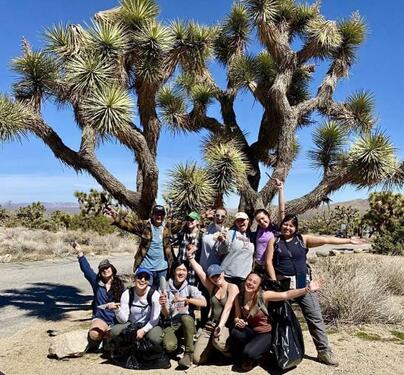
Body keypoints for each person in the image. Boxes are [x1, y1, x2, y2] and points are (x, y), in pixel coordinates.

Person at [265, 214, 364, 366]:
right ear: (281, 225)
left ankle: (324, 351)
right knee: (279, 318)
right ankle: (276, 350)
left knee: (315, 317)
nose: (288, 228)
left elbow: (326, 239)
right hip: (283, 286)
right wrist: (273, 281)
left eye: (291, 225)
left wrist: (349, 240)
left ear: (296, 228)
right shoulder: (275, 240)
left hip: (304, 285)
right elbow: (268, 262)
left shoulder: (302, 239)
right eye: (285, 224)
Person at [231, 272, 322, 371]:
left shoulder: (264, 296)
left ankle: (259, 356)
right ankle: (248, 354)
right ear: (245, 280)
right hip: (251, 331)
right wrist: (237, 321)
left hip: (266, 334)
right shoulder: (239, 296)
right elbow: (237, 316)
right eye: (249, 280)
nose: (250, 283)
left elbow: (286, 294)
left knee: (249, 352)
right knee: (236, 332)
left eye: (254, 282)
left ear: (258, 286)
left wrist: (307, 289)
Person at [104, 204, 181, 288]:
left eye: (161, 214)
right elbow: (127, 225)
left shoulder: (168, 226)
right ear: (152, 215)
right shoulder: (144, 226)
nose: (159, 216)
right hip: (146, 267)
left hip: (163, 268)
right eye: (157, 214)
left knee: (162, 294)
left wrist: (195, 221)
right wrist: (114, 215)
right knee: (144, 292)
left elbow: (184, 225)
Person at [106, 268, 169, 369]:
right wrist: (117, 310)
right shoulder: (127, 294)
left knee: (155, 339)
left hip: (150, 324)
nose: (143, 280)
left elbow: (154, 320)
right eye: (140, 277)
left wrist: (143, 331)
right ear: (135, 279)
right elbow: (123, 320)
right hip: (133, 324)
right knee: (113, 331)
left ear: (149, 281)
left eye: (146, 278)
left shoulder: (154, 295)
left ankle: (147, 355)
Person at [186, 248, 239, 365]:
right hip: (211, 324)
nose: (216, 278)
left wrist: (220, 326)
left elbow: (228, 308)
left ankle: (230, 355)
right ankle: (214, 350)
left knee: (219, 342)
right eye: (213, 276)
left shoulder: (232, 287)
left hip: (226, 325)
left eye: (218, 274)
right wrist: (191, 258)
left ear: (223, 273)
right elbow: (200, 273)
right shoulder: (212, 287)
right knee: (197, 359)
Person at [71, 241, 124, 351]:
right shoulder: (97, 283)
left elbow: (127, 301)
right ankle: (103, 339)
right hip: (101, 318)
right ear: (100, 273)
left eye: (107, 267)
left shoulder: (121, 284)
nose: (105, 270)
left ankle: (108, 340)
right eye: (102, 269)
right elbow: (87, 270)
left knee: (119, 336)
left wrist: (117, 306)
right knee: (94, 334)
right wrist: (80, 252)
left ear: (112, 269)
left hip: (117, 318)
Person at [159, 260, 207, 369]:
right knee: (169, 347)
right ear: (173, 272)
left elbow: (204, 303)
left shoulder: (190, 288)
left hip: (187, 322)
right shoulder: (165, 288)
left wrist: (186, 299)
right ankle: (178, 344)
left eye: (184, 270)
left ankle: (188, 354)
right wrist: (163, 305)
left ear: (187, 273)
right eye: (179, 269)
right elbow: (166, 315)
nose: (181, 273)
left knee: (186, 318)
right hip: (172, 323)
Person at [198, 206, 228, 326]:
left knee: (214, 300)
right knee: (204, 298)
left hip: (214, 272)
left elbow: (224, 251)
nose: (219, 218)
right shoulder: (209, 228)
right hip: (203, 270)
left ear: (225, 218)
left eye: (222, 216)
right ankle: (203, 322)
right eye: (217, 215)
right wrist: (205, 215)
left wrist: (223, 240)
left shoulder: (224, 231)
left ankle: (216, 324)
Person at [254, 178, 285, 274]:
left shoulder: (275, 229)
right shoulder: (259, 230)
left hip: (270, 266)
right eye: (259, 221)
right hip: (257, 266)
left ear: (268, 216)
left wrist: (280, 190)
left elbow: (281, 211)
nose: (262, 222)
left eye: (263, 218)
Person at [217, 212, 255, 288]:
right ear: (235, 223)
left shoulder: (252, 236)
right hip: (228, 276)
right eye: (238, 221)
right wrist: (224, 242)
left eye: (243, 220)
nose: (241, 222)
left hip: (244, 278)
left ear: (248, 221)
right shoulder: (231, 233)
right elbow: (221, 251)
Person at [174, 211, 204, 286]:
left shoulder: (201, 236)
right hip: (182, 266)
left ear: (197, 221)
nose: (189, 222)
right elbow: (171, 240)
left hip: (194, 267)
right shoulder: (182, 234)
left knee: (192, 287)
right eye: (188, 220)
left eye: (192, 220)